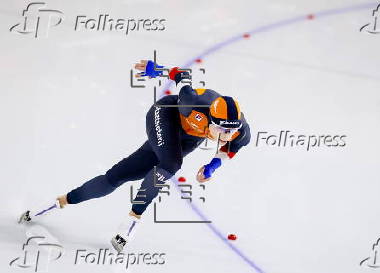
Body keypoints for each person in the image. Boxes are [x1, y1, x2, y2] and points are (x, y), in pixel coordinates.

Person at [18, 60, 251, 252]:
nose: (226, 135)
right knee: (171, 163)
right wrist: (155, 69)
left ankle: (58, 202)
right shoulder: (193, 103)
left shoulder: (240, 131)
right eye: (221, 130)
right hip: (165, 116)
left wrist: (212, 166)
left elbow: (230, 149)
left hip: (189, 137)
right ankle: (133, 219)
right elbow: (183, 75)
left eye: (231, 130)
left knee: (116, 177)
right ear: (210, 118)